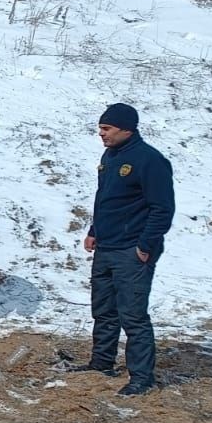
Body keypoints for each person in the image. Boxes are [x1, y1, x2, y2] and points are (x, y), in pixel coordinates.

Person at [68, 103, 174, 396]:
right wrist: (94, 231)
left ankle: (142, 377)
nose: (100, 134)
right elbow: (105, 199)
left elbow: (162, 209)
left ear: (126, 128)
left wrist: (145, 245)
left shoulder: (150, 160)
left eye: (106, 129)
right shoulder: (110, 156)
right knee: (103, 309)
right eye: (101, 128)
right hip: (107, 245)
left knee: (133, 315)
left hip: (132, 250)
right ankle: (101, 362)